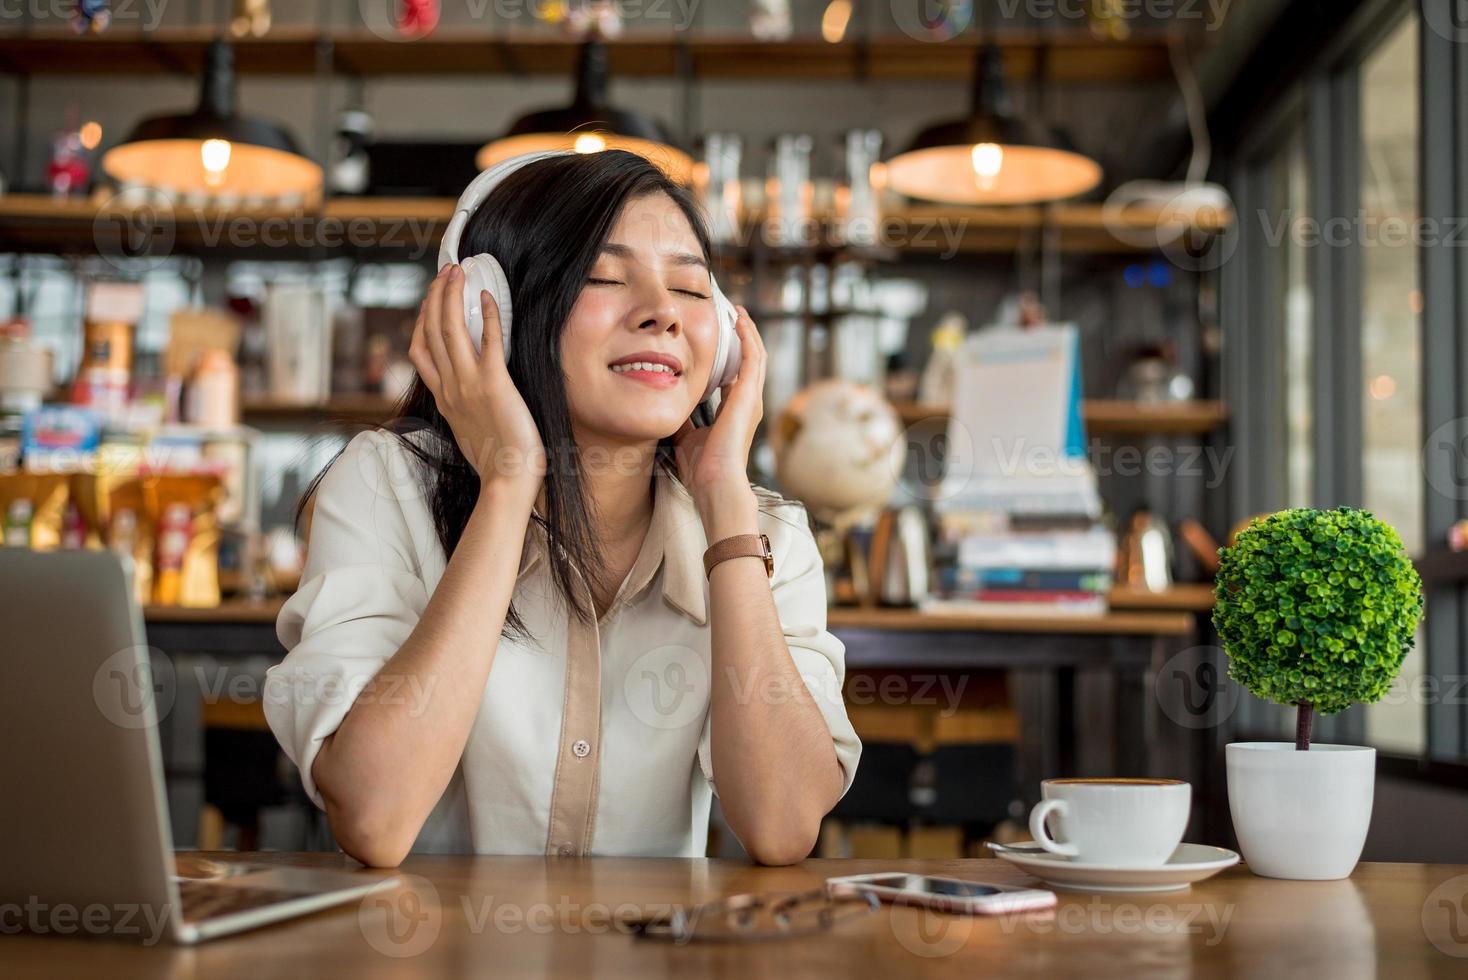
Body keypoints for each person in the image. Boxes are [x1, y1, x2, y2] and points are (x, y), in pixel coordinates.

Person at [263, 150, 861, 867]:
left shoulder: (763, 534)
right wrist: (509, 482)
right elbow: (373, 817)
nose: (664, 315)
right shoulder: (386, 486)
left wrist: (727, 501)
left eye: (692, 290)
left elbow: (782, 825)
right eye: (605, 277)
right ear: (495, 316)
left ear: (728, 343)